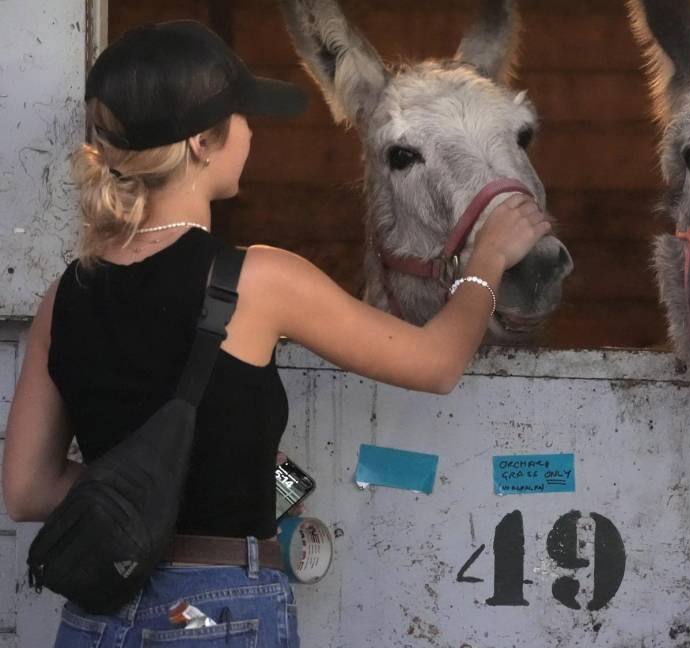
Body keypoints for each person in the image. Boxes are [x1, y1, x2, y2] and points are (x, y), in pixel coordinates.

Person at [2, 20, 549, 647]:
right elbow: (437, 362)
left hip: (95, 618)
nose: (251, 132)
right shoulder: (258, 279)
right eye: (241, 118)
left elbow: (28, 489)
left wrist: (174, 487)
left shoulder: (63, 295)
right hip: (212, 614)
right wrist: (486, 264)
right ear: (205, 142)